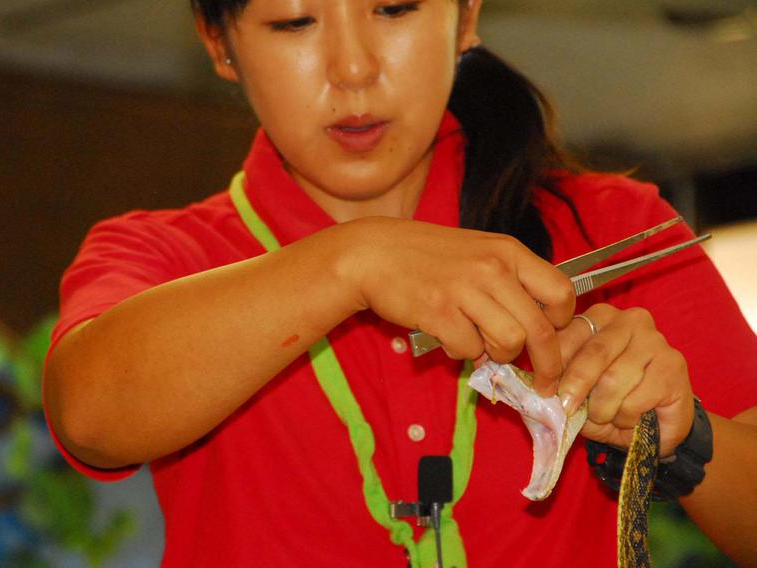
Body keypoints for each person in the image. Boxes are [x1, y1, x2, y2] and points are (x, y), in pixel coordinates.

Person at [42, 1, 757, 566]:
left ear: (467, 15)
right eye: (294, 21)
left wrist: (688, 434)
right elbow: (91, 417)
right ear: (219, 42)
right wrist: (354, 262)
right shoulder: (160, 255)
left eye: (396, 8)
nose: (353, 68)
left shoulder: (609, 224)